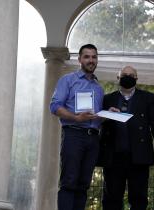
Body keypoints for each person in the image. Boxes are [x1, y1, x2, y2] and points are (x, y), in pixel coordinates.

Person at [97, 66, 154, 210]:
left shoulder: (147, 98)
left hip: (139, 155)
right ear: (118, 78)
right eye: (124, 74)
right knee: (111, 198)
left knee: (139, 198)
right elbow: (97, 122)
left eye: (131, 75)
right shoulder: (107, 99)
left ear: (136, 78)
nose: (127, 76)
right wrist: (105, 115)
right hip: (113, 156)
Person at [50, 44, 104, 210]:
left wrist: (107, 115)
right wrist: (75, 117)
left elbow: (95, 117)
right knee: (69, 182)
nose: (91, 60)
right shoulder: (68, 80)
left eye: (94, 57)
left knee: (84, 184)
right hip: (73, 135)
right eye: (87, 57)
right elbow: (54, 106)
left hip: (93, 138)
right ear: (80, 59)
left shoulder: (99, 88)